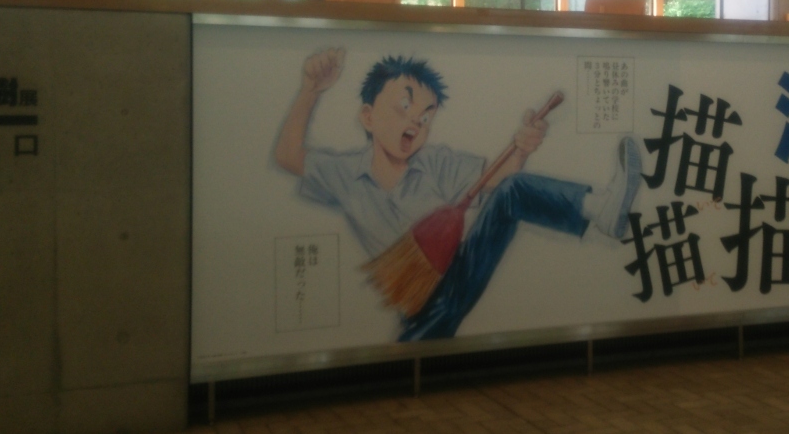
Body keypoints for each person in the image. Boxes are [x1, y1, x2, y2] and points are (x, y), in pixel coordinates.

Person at [274, 49, 642, 341]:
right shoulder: (344, 174)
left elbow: (499, 184)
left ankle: (599, 209)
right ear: (368, 117)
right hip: (418, 307)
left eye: (426, 116)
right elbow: (288, 156)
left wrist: (521, 149)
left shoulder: (437, 163)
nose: (416, 121)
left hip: (457, 274)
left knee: (512, 191)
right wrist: (310, 90)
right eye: (405, 106)